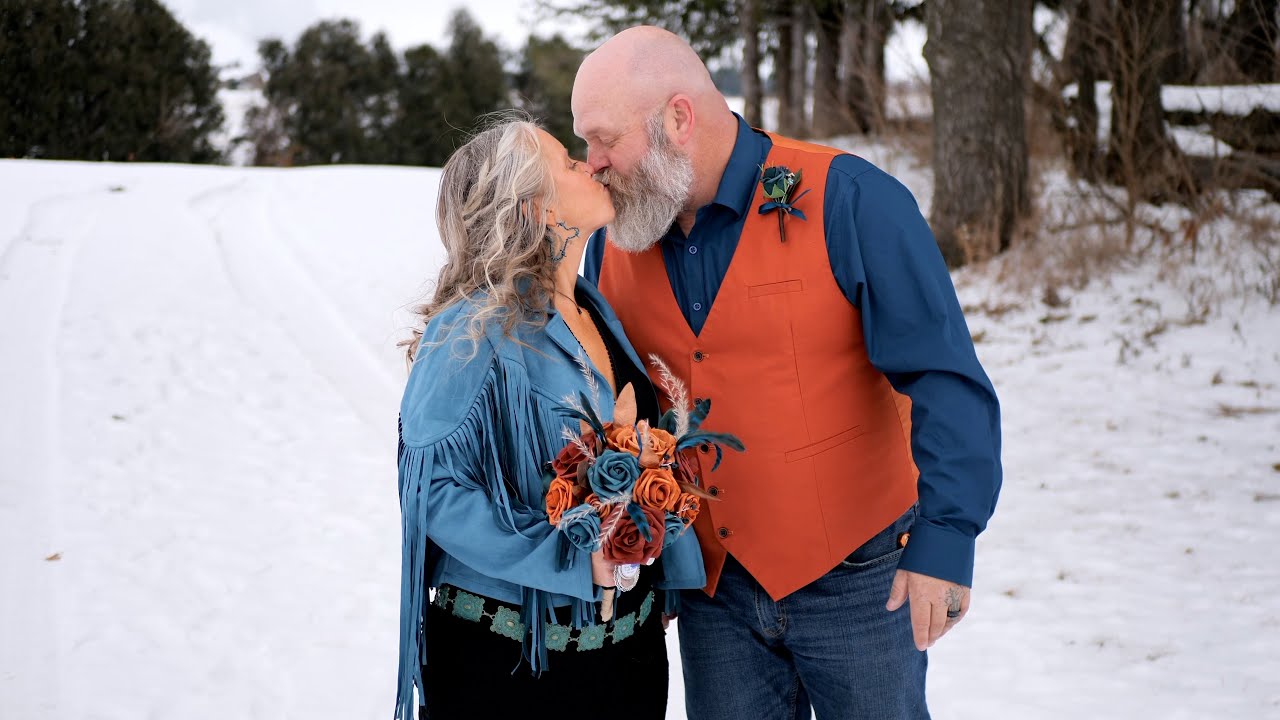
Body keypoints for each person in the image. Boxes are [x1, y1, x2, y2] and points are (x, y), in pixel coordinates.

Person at [573, 27, 1003, 720]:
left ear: (678, 119)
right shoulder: (613, 245)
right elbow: (626, 414)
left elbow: (945, 377)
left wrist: (948, 539)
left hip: (863, 585)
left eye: (603, 139)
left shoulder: (852, 200)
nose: (590, 164)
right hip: (716, 598)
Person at [393, 115, 705, 720]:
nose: (590, 165)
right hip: (513, 666)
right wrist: (566, 556)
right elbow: (430, 492)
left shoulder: (593, 305)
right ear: (535, 208)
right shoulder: (470, 326)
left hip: (625, 659)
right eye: (568, 162)